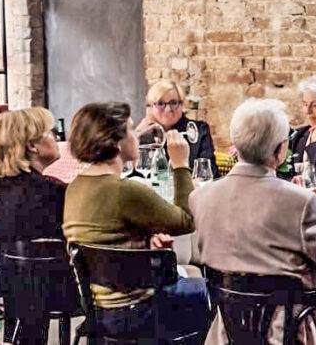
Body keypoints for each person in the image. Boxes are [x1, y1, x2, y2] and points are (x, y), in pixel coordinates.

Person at [191, 98, 316, 345]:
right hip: (290, 333)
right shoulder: (300, 202)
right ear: (281, 150)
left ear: (235, 145)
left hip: (227, 333)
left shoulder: (200, 197)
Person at [63, 101, 208, 340]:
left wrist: (144, 244)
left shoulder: (75, 186)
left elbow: (105, 237)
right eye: (131, 129)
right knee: (207, 289)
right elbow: (186, 220)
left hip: (99, 310)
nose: (137, 135)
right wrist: (181, 164)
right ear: (115, 142)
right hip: (139, 312)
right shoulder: (124, 190)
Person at [0, 107, 66, 345]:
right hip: (57, 291)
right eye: (51, 133)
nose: (58, 137)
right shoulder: (51, 192)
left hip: (13, 290)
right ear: (32, 146)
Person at [137, 79, 217, 177]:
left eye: (173, 103)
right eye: (161, 103)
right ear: (151, 106)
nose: (167, 109)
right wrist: (136, 136)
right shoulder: (144, 135)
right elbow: (130, 173)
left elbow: (210, 172)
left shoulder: (199, 130)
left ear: (181, 105)